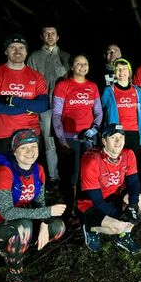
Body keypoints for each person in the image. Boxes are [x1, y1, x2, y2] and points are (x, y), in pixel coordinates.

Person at [0, 129, 66, 282]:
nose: (30, 151)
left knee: (57, 227)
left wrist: (44, 223)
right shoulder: (3, 172)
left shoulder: (38, 170)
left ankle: (14, 249)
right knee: (24, 224)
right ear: (14, 151)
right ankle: (14, 275)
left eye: (33, 146)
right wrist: (47, 212)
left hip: (15, 225)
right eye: (23, 148)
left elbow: (39, 202)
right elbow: (7, 212)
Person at [78, 124, 141, 254]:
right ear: (104, 141)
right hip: (91, 205)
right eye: (113, 137)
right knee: (119, 225)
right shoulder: (92, 160)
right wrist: (121, 215)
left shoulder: (128, 154)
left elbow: (133, 182)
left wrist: (132, 204)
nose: (118, 141)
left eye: (121, 137)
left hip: (114, 197)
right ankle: (91, 229)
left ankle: (124, 237)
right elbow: (97, 201)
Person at [52, 54, 102, 223]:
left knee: (87, 173)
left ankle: (85, 207)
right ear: (71, 67)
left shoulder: (93, 86)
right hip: (69, 137)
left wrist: (94, 129)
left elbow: (98, 112)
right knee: (71, 175)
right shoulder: (63, 86)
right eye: (78, 63)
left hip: (88, 138)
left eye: (85, 63)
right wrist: (61, 139)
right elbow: (57, 114)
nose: (82, 66)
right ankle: (69, 210)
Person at [0, 34, 49, 156]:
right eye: (12, 47)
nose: (18, 51)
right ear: (5, 51)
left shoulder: (36, 76)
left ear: (26, 51)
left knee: (28, 174)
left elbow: (43, 105)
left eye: (21, 47)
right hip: (3, 134)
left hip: (30, 134)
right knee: (2, 173)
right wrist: (28, 108)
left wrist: (13, 100)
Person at [26, 25, 71, 189]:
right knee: (48, 141)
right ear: (41, 36)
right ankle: (53, 177)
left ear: (58, 37)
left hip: (65, 107)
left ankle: (69, 176)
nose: (50, 36)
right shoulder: (34, 57)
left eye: (53, 33)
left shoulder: (67, 57)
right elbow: (28, 82)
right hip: (45, 107)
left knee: (66, 142)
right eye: (47, 33)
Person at [101, 58, 141, 162]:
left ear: (129, 71)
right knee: (116, 163)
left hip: (134, 132)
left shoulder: (137, 90)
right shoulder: (108, 90)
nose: (121, 72)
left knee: (132, 163)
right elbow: (102, 109)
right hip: (117, 133)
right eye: (118, 69)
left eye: (124, 69)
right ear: (114, 72)